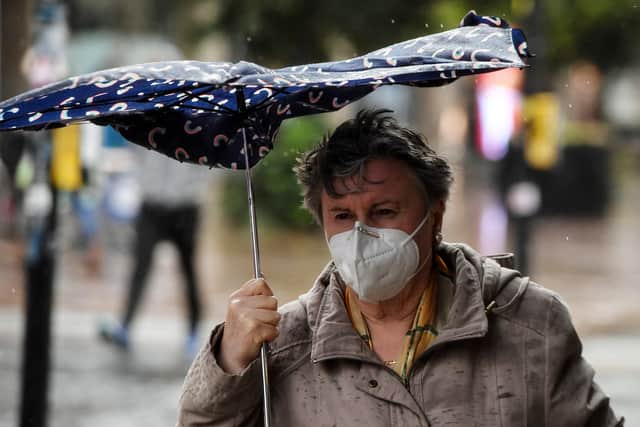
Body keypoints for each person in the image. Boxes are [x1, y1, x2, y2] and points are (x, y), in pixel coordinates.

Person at [177, 110, 623, 426]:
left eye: (385, 211)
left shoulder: (531, 325)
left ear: (436, 214)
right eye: (343, 216)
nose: (362, 233)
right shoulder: (281, 346)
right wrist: (228, 362)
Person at [100, 140, 209, 359]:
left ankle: (194, 329)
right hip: (151, 205)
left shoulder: (196, 124)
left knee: (188, 270)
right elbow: (134, 151)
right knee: (140, 266)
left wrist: (193, 186)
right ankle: (125, 325)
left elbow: (209, 165)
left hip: (186, 206)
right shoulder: (148, 119)